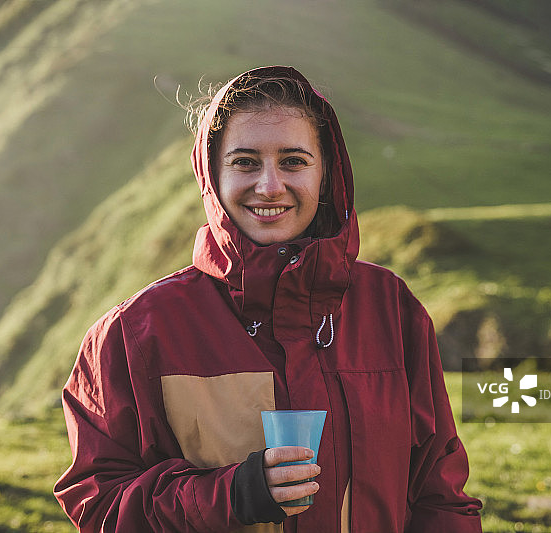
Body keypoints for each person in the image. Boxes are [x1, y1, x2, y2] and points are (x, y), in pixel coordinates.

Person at [54, 65, 483, 532]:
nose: (270, 186)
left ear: (326, 175)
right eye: (244, 162)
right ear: (212, 176)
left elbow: (440, 494)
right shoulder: (134, 332)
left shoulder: (391, 308)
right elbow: (99, 503)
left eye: (294, 161)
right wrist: (233, 495)